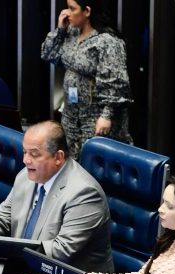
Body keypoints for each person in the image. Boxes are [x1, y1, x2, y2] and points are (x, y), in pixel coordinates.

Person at [0, 120, 113, 273]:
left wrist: (5, 250)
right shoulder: (25, 177)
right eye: (24, 152)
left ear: (58, 157)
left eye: (34, 154)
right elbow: (3, 217)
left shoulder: (84, 193)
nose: (25, 160)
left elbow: (61, 251)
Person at [41, 0, 133, 159]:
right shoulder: (71, 32)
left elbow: (117, 82)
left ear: (87, 11)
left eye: (72, 8)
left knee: (93, 162)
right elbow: (48, 54)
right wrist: (60, 30)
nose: (66, 13)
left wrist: (106, 115)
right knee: (72, 162)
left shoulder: (107, 41)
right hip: (71, 116)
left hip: (96, 118)